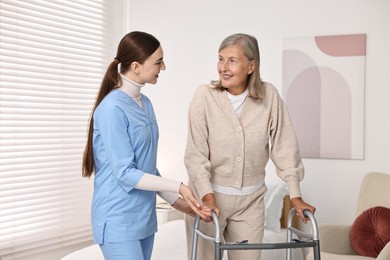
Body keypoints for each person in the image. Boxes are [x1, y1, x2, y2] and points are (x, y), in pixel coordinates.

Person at [184, 33, 316, 260]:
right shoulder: (204, 97)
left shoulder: (269, 97)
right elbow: (195, 155)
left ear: (251, 66)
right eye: (220, 59)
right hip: (207, 200)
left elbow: (285, 147)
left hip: (250, 204)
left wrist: (295, 195)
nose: (223, 67)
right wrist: (207, 197)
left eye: (232, 60)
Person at [82, 31, 210, 260]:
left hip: (143, 219)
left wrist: (178, 203)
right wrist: (179, 186)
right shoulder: (111, 109)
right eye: (158, 62)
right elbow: (125, 173)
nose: (164, 67)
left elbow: (147, 169)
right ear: (136, 66)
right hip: (117, 218)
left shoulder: (146, 104)